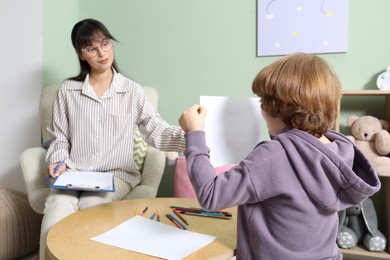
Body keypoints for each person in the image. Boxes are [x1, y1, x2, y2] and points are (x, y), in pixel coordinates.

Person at [178, 53, 381, 259]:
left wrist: (194, 135)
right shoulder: (338, 149)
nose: (261, 109)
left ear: (279, 107)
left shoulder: (273, 156)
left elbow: (211, 195)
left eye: (263, 100)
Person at [40, 18, 186, 259]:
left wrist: (193, 135)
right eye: (91, 48)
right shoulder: (67, 90)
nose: (101, 53)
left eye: (105, 43)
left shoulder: (132, 90)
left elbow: (156, 131)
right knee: (56, 207)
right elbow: (59, 137)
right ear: (81, 54)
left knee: (91, 207)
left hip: (115, 174)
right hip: (75, 172)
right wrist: (58, 161)